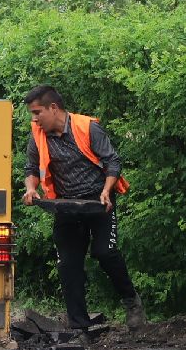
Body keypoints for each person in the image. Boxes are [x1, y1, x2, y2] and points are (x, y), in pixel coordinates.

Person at [22, 85, 146, 332]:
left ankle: (131, 301)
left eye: (37, 112)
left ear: (53, 108)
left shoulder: (87, 127)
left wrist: (107, 190)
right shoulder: (37, 135)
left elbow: (112, 161)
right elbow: (31, 169)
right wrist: (31, 188)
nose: (34, 119)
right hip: (66, 204)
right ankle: (79, 328)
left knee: (105, 252)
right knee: (68, 264)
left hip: (99, 202)